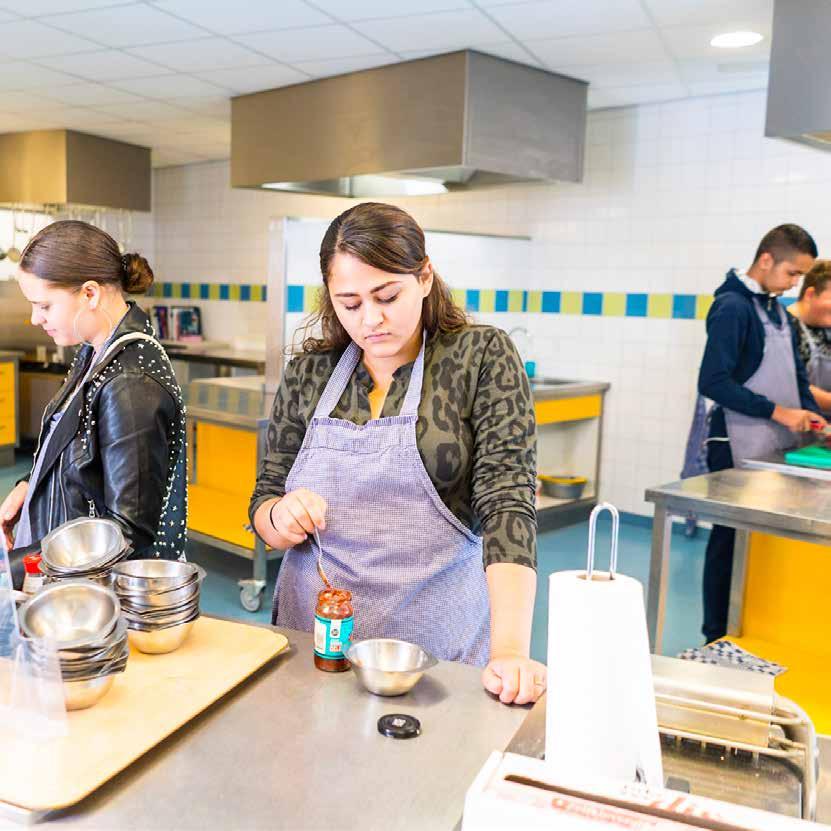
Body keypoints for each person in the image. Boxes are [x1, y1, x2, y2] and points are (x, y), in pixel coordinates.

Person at [250, 202, 545, 705]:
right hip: (316, 644)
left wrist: (512, 650)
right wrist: (281, 516)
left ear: (425, 277)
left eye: (387, 296)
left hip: (435, 652)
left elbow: (508, 504)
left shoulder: (480, 358)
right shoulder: (309, 373)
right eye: (349, 303)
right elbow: (264, 503)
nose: (371, 320)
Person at [0, 221, 187, 585]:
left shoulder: (130, 381)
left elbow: (125, 533)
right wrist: (29, 485)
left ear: (89, 294)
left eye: (44, 306)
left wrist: (18, 567)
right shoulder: (96, 352)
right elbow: (82, 452)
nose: (36, 318)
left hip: (103, 597)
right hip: (71, 581)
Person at [696, 224, 826, 642]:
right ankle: (715, 633)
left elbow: (795, 377)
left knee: (759, 544)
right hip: (735, 441)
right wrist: (778, 412)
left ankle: (749, 628)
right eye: (792, 274)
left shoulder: (773, 309)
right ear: (766, 260)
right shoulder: (733, 307)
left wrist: (811, 415)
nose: (794, 284)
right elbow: (712, 381)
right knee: (729, 540)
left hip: (773, 443)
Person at [787, 260, 831, 415]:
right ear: (810, 294)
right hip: (793, 429)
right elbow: (791, 386)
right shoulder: (784, 329)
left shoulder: (825, 326)